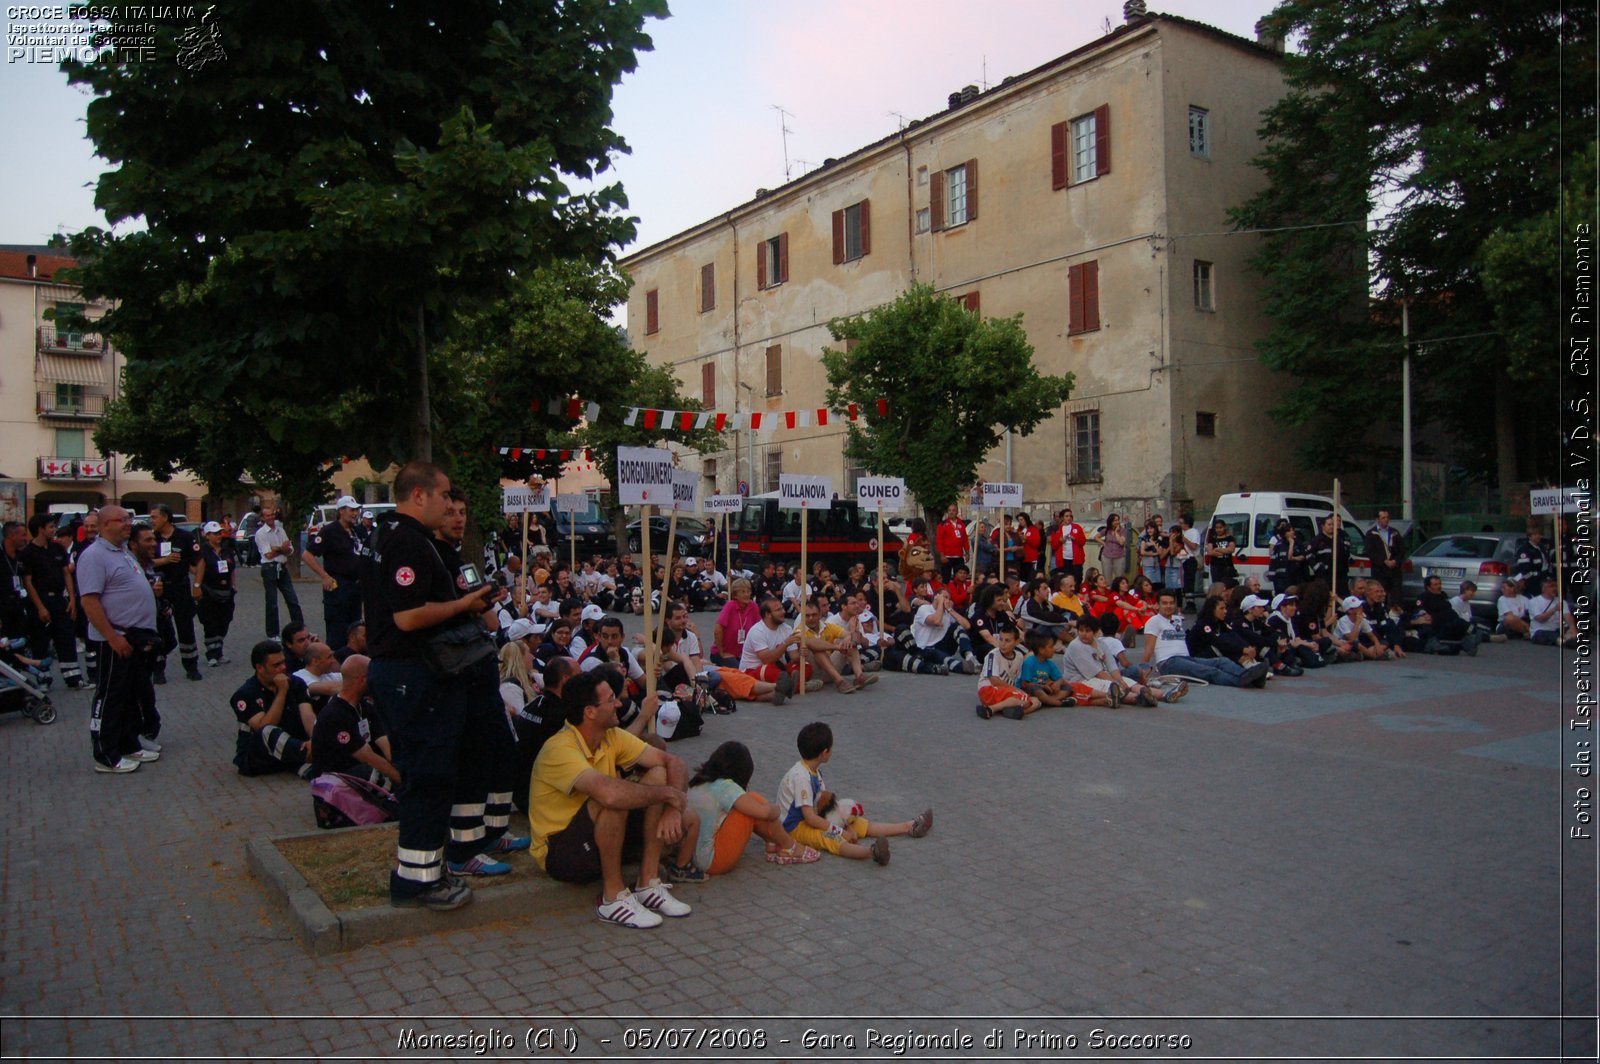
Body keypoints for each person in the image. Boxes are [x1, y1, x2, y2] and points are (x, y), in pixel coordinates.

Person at [364, 461, 517, 912]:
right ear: (420, 496)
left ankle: (429, 870)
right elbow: (408, 617)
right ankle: (417, 881)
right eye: (444, 495)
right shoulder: (408, 541)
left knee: (432, 776)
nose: (451, 504)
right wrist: (464, 604)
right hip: (412, 675)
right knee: (427, 779)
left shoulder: (391, 535)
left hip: (410, 674)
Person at [527, 670, 700, 929]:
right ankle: (613, 898)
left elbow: (673, 761)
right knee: (614, 796)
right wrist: (670, 795)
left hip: (598, 834)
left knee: (658, 773)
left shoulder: (611, 735)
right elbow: (609, 794)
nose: (620, 703)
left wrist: (673, 810)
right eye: (611, 699)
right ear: (590, 712)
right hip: (561, 852)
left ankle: (647, 883)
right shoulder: (559, 748)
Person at [76, 506, 162, 774]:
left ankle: (128, 742)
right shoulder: (94, 556)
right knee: (111, 696)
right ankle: (105, 754)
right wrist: (112, 637)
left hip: (135, 638)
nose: (128, 524)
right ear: (104, 525)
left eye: (129, 519)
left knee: (129, 695)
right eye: (122, 520)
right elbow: (89, 601)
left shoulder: (122, 551)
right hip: (115, 639)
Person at [775, 721, 931, 865]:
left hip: (812, 818)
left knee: (857, 822)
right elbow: (810, 818)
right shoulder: (801, 777)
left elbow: (824, 809)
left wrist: (847, 826)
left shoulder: (814, 772)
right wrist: (841, 832)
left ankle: (908, 826)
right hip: (794, 828)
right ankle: (872, 852)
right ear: (824, 752)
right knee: (831, 839)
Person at [685, 741, 820, 876]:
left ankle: (773, 842)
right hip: (711, 862)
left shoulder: (700, 782)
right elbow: (765, 813)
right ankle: (789, 846)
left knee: (749, 802)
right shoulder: (726, 787)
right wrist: (776, 809)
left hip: (692, 856)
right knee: (751, 804)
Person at [1141, 588, 1268, 688]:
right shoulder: (1154, 621)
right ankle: (1242, 681)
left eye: (1171, 603)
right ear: (1157, 605)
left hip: (1186, 658)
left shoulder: (1177, 620)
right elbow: (1149, 649)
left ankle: (1247, 675)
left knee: (1221, 661)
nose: (1168, 606)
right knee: (1209, 671)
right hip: (1168, 662)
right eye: (1164, 603)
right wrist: (1143, 669)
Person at [309, 654, 399, 787]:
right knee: (375, 776)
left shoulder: (364, 706)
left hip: (357, 768)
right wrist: (401, 778)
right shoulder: (335, 715)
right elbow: (367, 757)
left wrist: (404, 766)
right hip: (335, 781)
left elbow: (383, 741)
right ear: (362, 680)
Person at [230, 640, 315, 778]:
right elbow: (264, 727)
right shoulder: (245, 694)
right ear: (260, 668)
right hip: (259, 757)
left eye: (283, 662)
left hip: (291, 748)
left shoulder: (296, 683)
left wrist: (314, 739)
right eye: (276, 665)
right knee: (267, 730)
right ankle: (312, 755)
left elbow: (307, 714)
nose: (283, 668)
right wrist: (281, 692)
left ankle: (311, 760)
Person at [20, 514, 83, 688]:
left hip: (59, 600)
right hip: (39, 601)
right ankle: (44, 679)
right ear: (40, 529)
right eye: (50, 527)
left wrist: (71, 599)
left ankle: (73, 678)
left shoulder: (57, 549)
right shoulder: (27, 553)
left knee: (66, 637)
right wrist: (40, 607)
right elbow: (28, 582)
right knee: (40, 641)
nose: (54, 530)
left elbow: (66, 573)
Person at [301, 495, 365, 650]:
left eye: (356, 510)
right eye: (351, 510)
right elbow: (307, 555)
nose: (354, 514)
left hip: (355, 587)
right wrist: (324, 576)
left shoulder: (356, 531)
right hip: (338, 587)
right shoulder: (329, 531)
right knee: (338, 631)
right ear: (341, 511)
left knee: (355, 627)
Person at [149, 504, 203, 682]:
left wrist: (197, 585)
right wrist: (164, 560)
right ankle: (158, 669)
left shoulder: (184, 537)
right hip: (159, 588)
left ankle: (191, 666)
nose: (152, 520)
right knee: (160, 628)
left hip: (180, 587)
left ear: (165, 517)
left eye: (154, 517)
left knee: (186, 627)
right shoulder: (151, 538)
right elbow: (144, 563)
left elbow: (199, 562)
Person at [1062, 613, 1165, 705]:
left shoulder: (1100, 643)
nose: (1083, 634)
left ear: (1095, 632)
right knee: (1118, 690)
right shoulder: (1076, 646)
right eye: (1081, 630)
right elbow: (1097, 673)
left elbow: (1112, 666)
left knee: (1149, 691)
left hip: (1103, 676)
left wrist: (1121, 680)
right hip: (1084, 680)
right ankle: (1140, 698)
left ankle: (1158, 694)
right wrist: (1117, 683)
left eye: (1087, 631)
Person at [254, 507, 304, 638]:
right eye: (267, 516)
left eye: (272, 515)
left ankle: (300, 629)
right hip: (269, 568)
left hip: (282, 567)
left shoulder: (280, 530)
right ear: (263, 518)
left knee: (292, 599)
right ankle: (272, 633)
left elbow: (290, 550)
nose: (270, 518)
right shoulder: (261, 533)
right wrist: (283, 548)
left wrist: (278, 548)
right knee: (272, 602)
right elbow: (268, 554)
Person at [191, 521, 237, 667]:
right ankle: (212, 654)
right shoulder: (202, 551)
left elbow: (232, 568)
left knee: (224, 621)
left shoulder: (226, 549)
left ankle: (220, 651)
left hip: (226, 591)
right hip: (208, 590)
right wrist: (199, 579)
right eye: (215, 534)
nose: (218, 536)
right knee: (211, 623)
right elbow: (193, 566)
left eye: (219, 533)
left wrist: (234, 584)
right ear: (207, 535)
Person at [975, 623, 1039, 719]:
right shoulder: (993, 655)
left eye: (1007, 640)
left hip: (1006, 692)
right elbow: (994, 680)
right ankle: (991, 709)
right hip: (989, 690)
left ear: (1017, 642)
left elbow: (1018, 680)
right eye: (1001, 639)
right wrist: (1017, 691)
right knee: (1025, 699)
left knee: (1036, 701)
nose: (1003, 644)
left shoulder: (1019, 656)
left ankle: (1015, 711)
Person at [909, 588, 978, 674]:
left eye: (949, 598)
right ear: (936, 597)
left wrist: (950, 610)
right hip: (925, 649)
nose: (947, 600)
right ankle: (963, 667)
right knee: (944, 658)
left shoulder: (947, 613)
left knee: (956, 627)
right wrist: (940, 603)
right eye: (945, 597)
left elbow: (966, 626)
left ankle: (970, 656)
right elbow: (936, 621)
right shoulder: (924, 609)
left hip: (942, 646)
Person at [1405, 574, 1477, 655]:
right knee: (1459, 624)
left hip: (1448, 622)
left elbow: (1449, 610)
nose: (1439, 586)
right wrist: (1425, 615)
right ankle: (1473, 634)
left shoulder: (1443, 595)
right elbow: (1420, 610)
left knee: (1461, 622)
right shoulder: (1423, 597)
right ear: (1429, 587)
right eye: (1435, 585)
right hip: (1436, 625)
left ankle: (1470, 640)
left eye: (1440, 584)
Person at [1265, 594, 1325, 670]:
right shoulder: (1274, 620)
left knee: (1322, 642)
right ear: (1282, 607)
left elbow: (1296, 638)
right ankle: (1303, 660)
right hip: (1281, 648)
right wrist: (1307, 644)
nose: (1295, 608)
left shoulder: (1290, 619)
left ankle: (1309, 658)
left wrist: (1309, 643)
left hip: (1294, 644)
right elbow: (1286, 641)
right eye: (1291, 605)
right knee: (1299, 647)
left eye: (1295, 605)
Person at [711, 578, 761, 667]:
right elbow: (718, 630)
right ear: (735, 595)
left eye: (748, 591)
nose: (747, 594)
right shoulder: (730, 606)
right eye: (743, 592)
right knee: (740, 671)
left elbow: (760, 629)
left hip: (744, 654)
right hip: (724, 653)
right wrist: (722, 653)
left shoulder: (754, 606)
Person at [1365, 510, 1406, 603]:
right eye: (1383, 518)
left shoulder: (1394, 533)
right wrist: (1384, 561)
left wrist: (1395, 561)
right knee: (1381, 595)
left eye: (1387, 517)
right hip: (1380, 571)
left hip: (1394, 572)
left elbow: (1401, 550)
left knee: (1396, 596)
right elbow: (1370, 552)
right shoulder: (1371, 534)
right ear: (1377, 519)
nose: (1386, 520)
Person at [1527, 577, 1577, 647]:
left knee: (1573, 631)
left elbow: (1567, 616)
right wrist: (1554, 609)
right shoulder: (1534, 601)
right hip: (1540, 631)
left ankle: (1569, 639)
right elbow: (1540, 618)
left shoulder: (1561, 601)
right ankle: (1564, 642)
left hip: (1557, 629)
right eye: (1551, 586)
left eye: (1556, 586)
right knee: (1547, 635)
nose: (1554, 589)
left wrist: (1572, 627)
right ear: (1544, 588)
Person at [1335, 596, 1387, 660]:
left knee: (1382, 644)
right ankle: (1373, 656)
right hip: (1341, 642)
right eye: (1357, 607)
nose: (1361, 608)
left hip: (1354, 643)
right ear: (1350, 611)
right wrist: (1357, 622)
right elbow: (1351, 639)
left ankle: (1367, 654)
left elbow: (1371, 635)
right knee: (1357, 644)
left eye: (1360, 606)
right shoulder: (1343, 621)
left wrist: (1377, 644)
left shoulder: (1362, 619)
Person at [1510, 525, 1553, 593]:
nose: (1538, 536)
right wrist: (1536, 575)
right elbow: (1524, 569)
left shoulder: (1542, 548)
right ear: (1529, 536)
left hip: (1543, 580)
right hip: (1532, 582)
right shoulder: (1525, 550)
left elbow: (1546, 563)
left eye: (1539, 534)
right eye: (1535, 535)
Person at [1202, 517, 1239, 589]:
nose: (1218, 530)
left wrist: (1218, 549)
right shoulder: (1212, 539)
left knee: (1227, 585)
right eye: (1217, 528)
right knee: (1217, 585)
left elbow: (1231, 549)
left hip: (1227, 566)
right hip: (1215, 566)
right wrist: (1224, 551)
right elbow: (1210, 552)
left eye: (1220, 527)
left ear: (1224, 527)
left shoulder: (1230, 538)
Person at [936, 504, 969, 580]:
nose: (951, 512)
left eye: (953, 510)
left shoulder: (961, 524)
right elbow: (939, 540)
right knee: (946, 578)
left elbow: (965, 540)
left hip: (958, 556)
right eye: (949, 510)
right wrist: (941, 555)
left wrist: (967, 553)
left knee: (959, 578)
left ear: (957, 512)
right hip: (947, 556)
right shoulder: (942, 525)